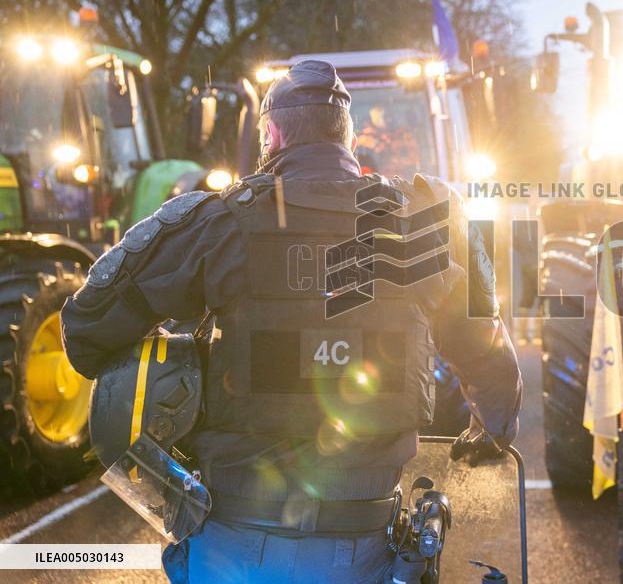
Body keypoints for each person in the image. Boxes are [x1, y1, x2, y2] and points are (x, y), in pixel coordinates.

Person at [61, 60, 522, 583]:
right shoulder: (417, 228)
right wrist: (491, 429)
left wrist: (178, 361)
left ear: (272, 133)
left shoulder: (217, 222)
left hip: (230, 546)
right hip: (368, 546)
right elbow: (490, 359)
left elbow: (85, 334)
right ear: (347, 136)